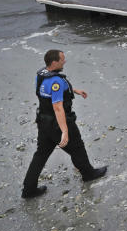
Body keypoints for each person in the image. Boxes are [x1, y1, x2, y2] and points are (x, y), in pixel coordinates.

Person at [21, 49, 107, 199]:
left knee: (40, 155)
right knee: (77, 147)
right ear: (54, 62)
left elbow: (53, 91)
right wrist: (65, 131)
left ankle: (28, 190)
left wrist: (75, 90)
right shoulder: (56, 81)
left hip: (43, 121)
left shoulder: (41, 76)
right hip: (57, 123)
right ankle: (88, 174)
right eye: (62, 59)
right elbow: (58, 107)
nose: (64, 61)